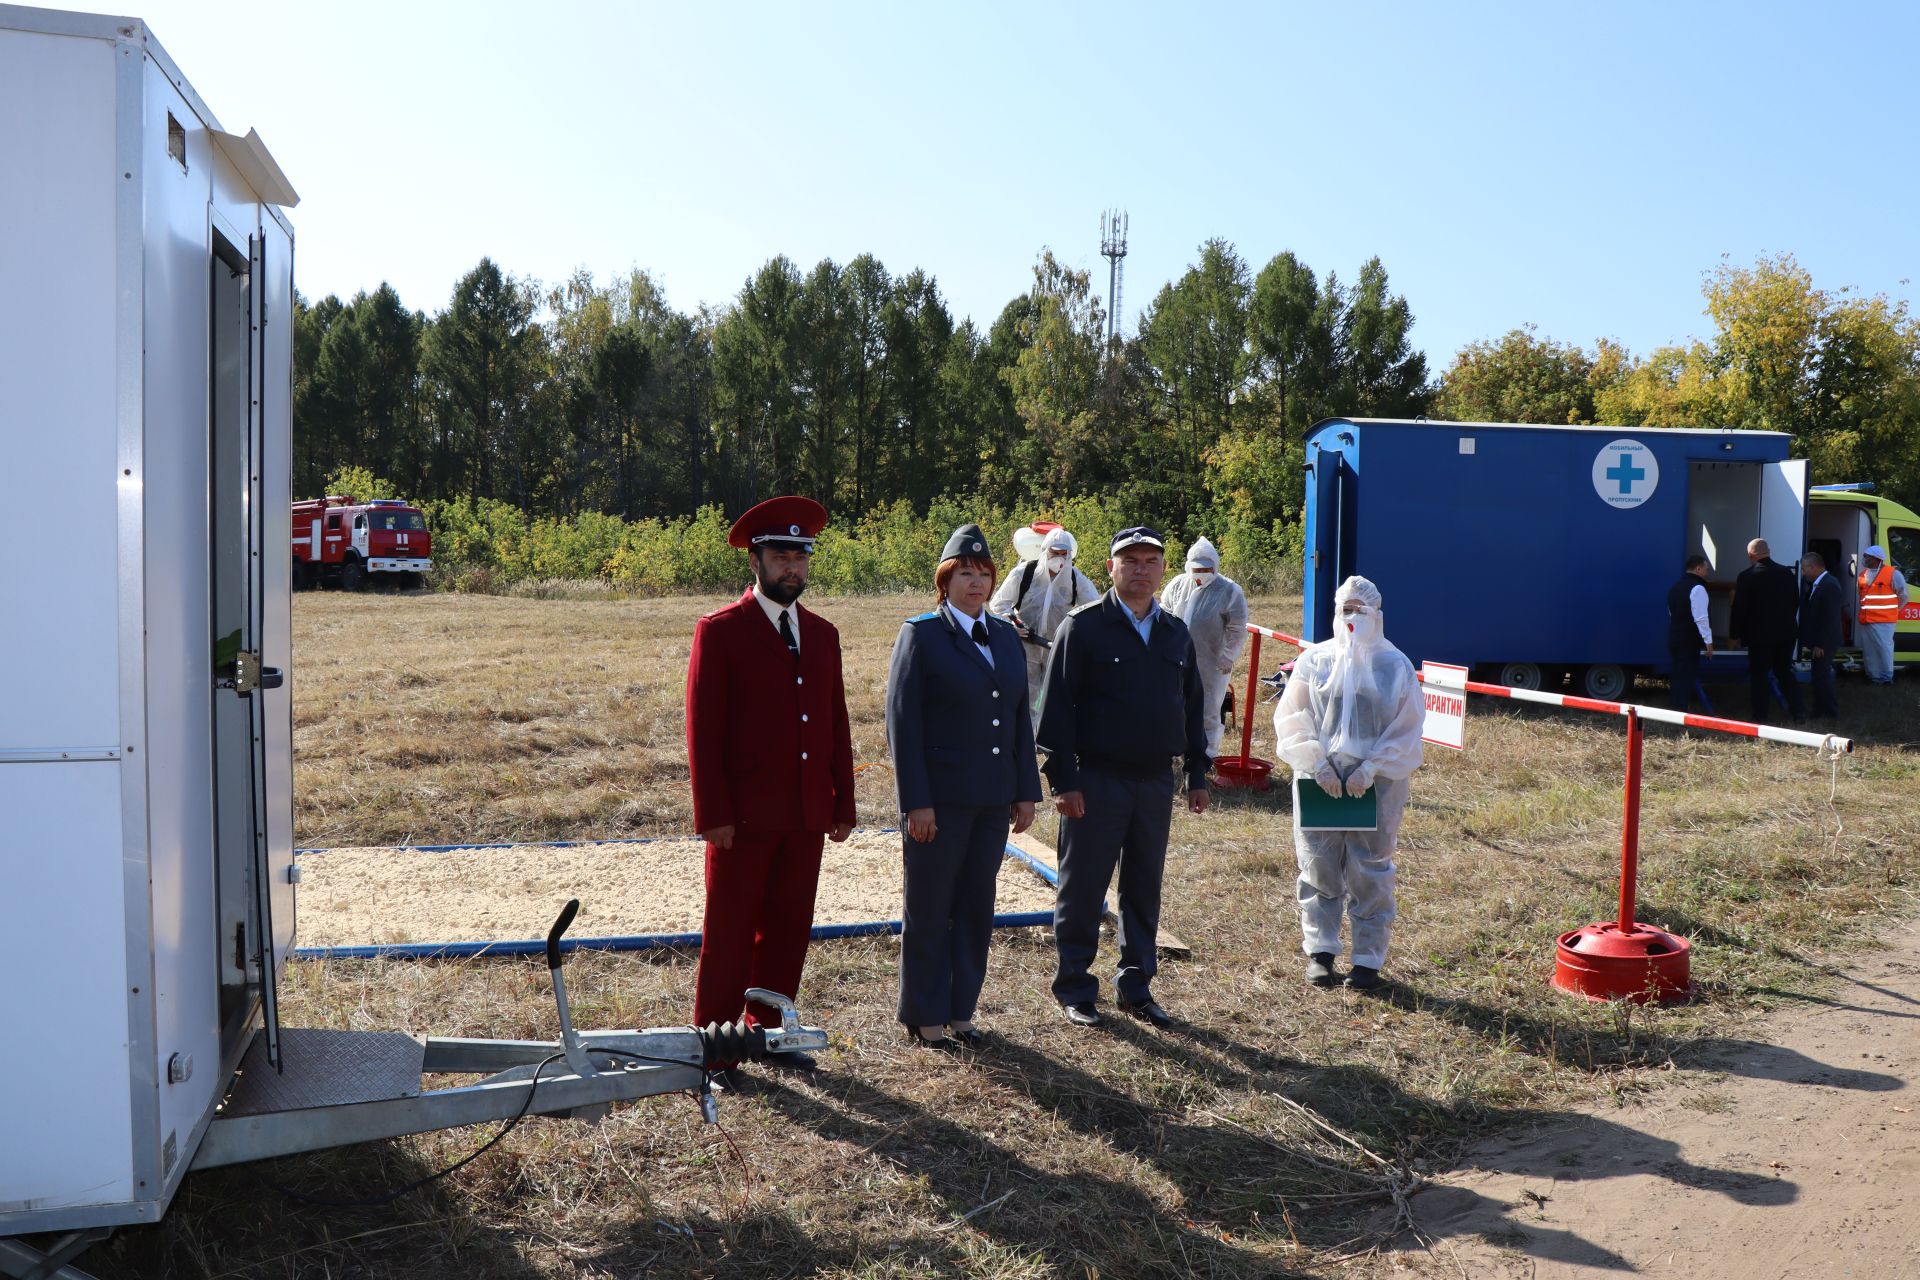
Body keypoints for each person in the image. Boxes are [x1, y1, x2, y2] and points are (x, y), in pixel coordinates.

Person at [684, 495, 855, 1084]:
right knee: (731, 930)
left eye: (800, 556)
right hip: (745, 817)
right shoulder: (722, 632)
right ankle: (716, 1045)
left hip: (806, 811)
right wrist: (713, 814)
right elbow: (703, 733)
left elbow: (834, 722)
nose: (792, 567)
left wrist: (842, 801)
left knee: (788, 925)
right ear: (754, 561)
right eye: (780, 556)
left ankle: (771, 1033)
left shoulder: (823, 634)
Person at [1035, 526, 1210, 1029]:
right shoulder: (1084, 626)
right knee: (1083, 886)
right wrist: (1063, 780)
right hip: (1096, 779)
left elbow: (1192, 706)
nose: (1140, 569)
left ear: (1162, 569)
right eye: (1129, 560)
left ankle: (1136, 986)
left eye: (1150, 560)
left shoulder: (1175, 631)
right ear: (1110, 567)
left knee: (1142, 886)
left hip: (1154, 779)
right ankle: (1074, 987)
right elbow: (1057, 711)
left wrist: (1197, 773)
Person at [885, 524, 1041, 1050]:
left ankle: (960, 1009)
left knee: (976, 904)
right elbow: (903, 727)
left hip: (993, 799)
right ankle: (924, 1012)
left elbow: (1019, 719)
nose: (976, 583)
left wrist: (1025, 790)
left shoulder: (1002, 635)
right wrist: (916, 803)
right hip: (942, 802)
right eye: (965, 574)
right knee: (930, 905)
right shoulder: (922, 635)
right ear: (945, 582)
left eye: (983, 574)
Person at [1272, 576, 1425, 991]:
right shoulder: (1315, 661)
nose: (1353, 616)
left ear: (1378, 615)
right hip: (1319, 778)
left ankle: (1366, 961)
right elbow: (1292, 716)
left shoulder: (1394, 666)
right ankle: (1320, 953)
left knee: (1370, 869)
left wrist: (1371, 767)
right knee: (1318, 864)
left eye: (1362, 609)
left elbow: (1406, 728)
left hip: (1376, 784)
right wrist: (1317, 762)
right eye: (1346, 609)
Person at [990, 524, 1097, 719]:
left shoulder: (1075, 578)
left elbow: (1094, 608)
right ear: (1044, 551)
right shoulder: (1024, 573)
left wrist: (1074, 633)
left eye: (1063, 553)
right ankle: (1026, 744)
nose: (1058, 558)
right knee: (1025, 695)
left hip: (1055, 648)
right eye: (1054, 552)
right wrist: (1014, 624)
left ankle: (1048, 742)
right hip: (1025, 646)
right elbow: (999, 604)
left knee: (1056, 696)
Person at [1159, 537, 1249, 760]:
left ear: (1215, 568)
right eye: (1197, 569)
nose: (1201, 573)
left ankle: (1206, 756)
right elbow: (1163, 613)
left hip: (1211, 662)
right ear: (1188, 567)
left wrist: (1228, 656)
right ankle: (1175, 751)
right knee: (1173, 705)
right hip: (1175, 659)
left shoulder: (1229, 591)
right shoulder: (1178, 585)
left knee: (1208, 709)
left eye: (1207, 569)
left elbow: (1237, 628)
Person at [1730, 538, 1805, 724]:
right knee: (1784, 672)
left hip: (1760, 636)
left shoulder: (1746, 576)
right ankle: (1799, 712)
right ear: (1769, 551)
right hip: (1787, 633)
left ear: (1750, 556)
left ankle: (1760, 716)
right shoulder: (1787, 573)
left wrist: (1735, 635)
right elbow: (1796, 601)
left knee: (1759, 675)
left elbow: (1739, 609)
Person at [1666, 554, 1714, 713]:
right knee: (1686, 676)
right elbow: (1701, 618)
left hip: (1675, 637)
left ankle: (1674, 708)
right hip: (1689, 640)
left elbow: (1671, 614)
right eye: (1706, 569)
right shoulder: (1698, 588)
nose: (1707, 572)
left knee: (1677, 674)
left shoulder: (1675, 587)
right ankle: (1680, 710)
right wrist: (1708, 642)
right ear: (1698, 568)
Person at [1800, 552, 1843, 718]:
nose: (1803, 573)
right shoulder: (1820, 583)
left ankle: (1831, 713)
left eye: (1804, 569)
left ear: (1813, 567)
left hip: (1826, 641)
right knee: (1818, 675)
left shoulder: (1829, 585)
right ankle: (1819, 710)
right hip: (1821, 640)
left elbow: (1830, 618)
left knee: (1822, 676)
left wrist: (1820, 643)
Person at [1857, 544, 1907, 685]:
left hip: (1884, 621)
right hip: (1866, 619)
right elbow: (1862, 596)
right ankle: (1873, 676)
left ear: (1876, 559)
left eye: (1867, 557)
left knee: (1884, 648)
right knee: (1869, 649)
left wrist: (1894, 611)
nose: (1865, 559)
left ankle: (1886, 677)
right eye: (1865, 556)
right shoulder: (1862, 575)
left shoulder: (1893, 574)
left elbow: (1903, 595)